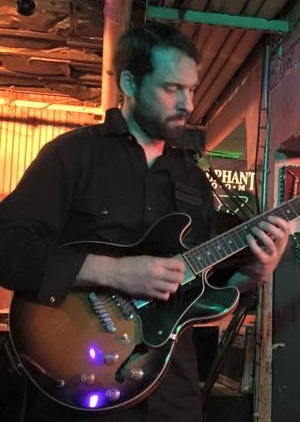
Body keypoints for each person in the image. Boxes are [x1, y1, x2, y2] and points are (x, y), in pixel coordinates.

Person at [0, 22, 290, 422]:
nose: (188, 104)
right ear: (130, 83)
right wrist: (114, 272)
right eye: (172, 89)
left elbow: (208, 302)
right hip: (81, 386)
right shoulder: (72, 156)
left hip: (171, 391)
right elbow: (8, 246)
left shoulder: (194, 180)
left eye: (191, 89)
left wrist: (258, 270)